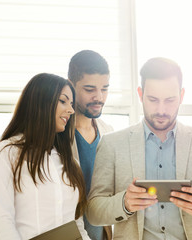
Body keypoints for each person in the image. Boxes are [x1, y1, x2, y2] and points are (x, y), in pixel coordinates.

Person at [86, 57, 192, 239]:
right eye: (153, 100)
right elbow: (93, 211)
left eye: (170, 100)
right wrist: (124, 203)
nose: (161, 110)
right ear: (140, 95)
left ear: (182, 95)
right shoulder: (111, 143)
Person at [0, 73, 90, 239]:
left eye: (71, 104)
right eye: (63, 101)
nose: (71, 110)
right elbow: (3, 222)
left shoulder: (70, 163)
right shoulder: (6, 153)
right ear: (41, 102)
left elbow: (77, 224)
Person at [68, 50, 113, 240]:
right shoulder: (57, 134)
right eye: (89, 89)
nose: (99, 97)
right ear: (70, 86)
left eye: (104, 89)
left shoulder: (109, 132)